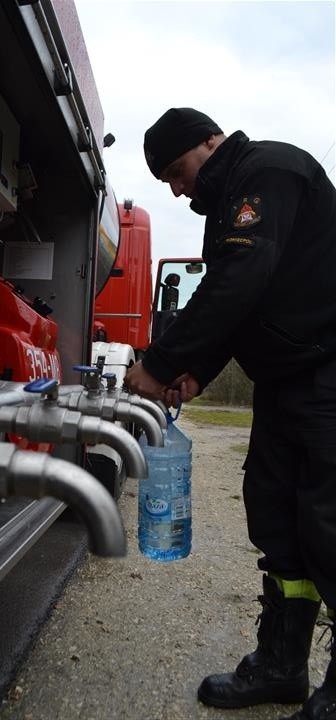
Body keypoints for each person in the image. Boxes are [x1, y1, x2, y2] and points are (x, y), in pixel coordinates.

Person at [124, 107, 336, 720]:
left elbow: (241, 280)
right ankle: (281, 667)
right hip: (282, 384)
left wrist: (161, 362)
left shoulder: (267, 171)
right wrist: (198, 370)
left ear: (209, 142)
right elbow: (240, 304)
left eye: (177, 170)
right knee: (277, 521)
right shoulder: (227, 206)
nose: (176, 188)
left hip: (328, 377)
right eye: (165, 180)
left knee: (331, 527)